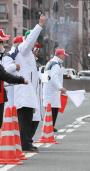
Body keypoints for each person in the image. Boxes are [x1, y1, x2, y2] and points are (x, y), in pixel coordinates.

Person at [14, 15, 46, 152]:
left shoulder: (29, 55)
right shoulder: (23, 49)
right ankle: (25, 144)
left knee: (29, 119)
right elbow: (29, 42)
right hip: (24, 93)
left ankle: (27, 142)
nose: (35, 46)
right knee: (25, 120)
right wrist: (39, 25)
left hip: (30, 93)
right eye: (33, 43)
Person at [43, 48, 68, 132]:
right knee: (53, 109)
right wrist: (60, 87)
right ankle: (50, 127)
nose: (64, 57)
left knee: (49, 109)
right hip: (52, 91)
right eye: (63, 55)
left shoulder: (50, 62)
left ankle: (49, 126)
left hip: (48, 89)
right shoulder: (56, 64)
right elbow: (54, 77)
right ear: (59, 55)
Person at [2, 36, 23, 107]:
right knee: (10, 108)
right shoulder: (11, 54)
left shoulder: (18, 54)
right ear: (18, 44)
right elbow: (5, 70)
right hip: (10, 86)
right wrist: (14, 66)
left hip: (17, 85)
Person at [31, 42, 44, 140]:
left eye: (38, 49)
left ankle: (28, 139)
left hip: (37, 94)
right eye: (36, 49)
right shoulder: (30, 62)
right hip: (31, 93)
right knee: (33, 118)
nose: (38, 51)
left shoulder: (36, 62)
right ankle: (27, 140)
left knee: (36, 118)